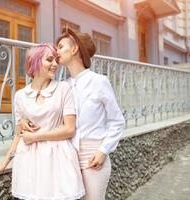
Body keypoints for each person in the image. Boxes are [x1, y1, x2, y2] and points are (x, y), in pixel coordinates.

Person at [21, 28, 125, 200]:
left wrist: (103, 150)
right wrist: (25, 119)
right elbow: (43, 110)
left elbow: (117, 121)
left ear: (75, 49)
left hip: (93, 156)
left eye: (61, 46)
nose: (57, 51)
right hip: (67, 156)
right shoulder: (63, 86)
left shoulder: (99, 82)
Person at [0, 43, 85, 200]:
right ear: (35, 62)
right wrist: (3, 163)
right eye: (49, 60)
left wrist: (36, 137)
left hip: (57, 158)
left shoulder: (63, 88)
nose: (55, 64)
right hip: (29, 160)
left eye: (56, 60)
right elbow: (18, 135)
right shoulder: (20, 96)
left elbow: (69, 129)